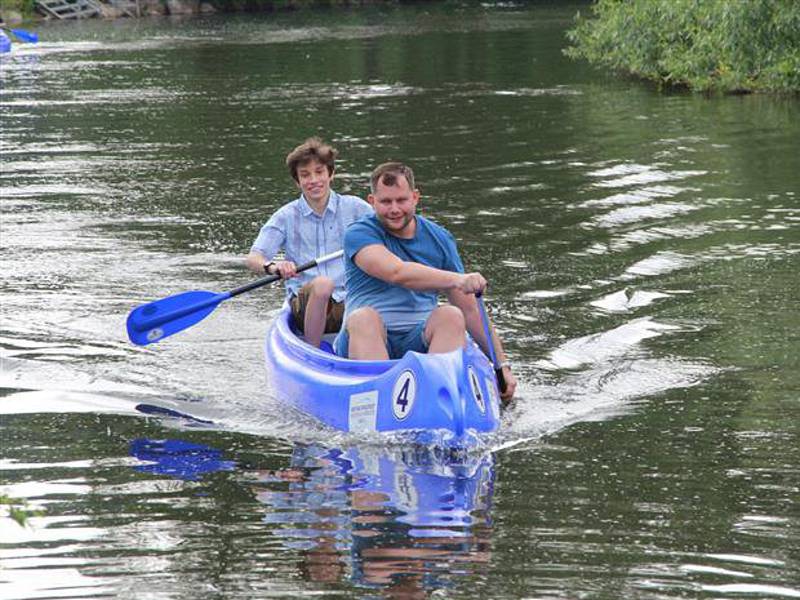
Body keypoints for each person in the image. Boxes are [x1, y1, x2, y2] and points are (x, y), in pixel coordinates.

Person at [333, 162, 517, 401]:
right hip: (364, 339)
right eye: (386, 202)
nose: (394, 209)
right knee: (364, 317)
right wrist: (456, 279)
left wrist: (501, 365)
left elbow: (470, 309)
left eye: (401, 200)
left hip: (418, 339)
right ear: (372, 201)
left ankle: (439, 398)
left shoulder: (440, 238)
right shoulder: (359, 234)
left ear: (415, 197)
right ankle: (382, 401)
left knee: (452, 315)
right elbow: (396, 273)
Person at [246, 138, 372, 348]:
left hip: (350, 301)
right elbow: (254, 258)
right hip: (305, 305)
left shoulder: (357, 208)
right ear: (297, 181)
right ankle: (312, 351)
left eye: (319, 172)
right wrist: (274, 266)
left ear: (331, 174)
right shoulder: (285, 216)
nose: (314, 180)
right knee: (323, 284)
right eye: (305, 175)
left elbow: (388, 235)